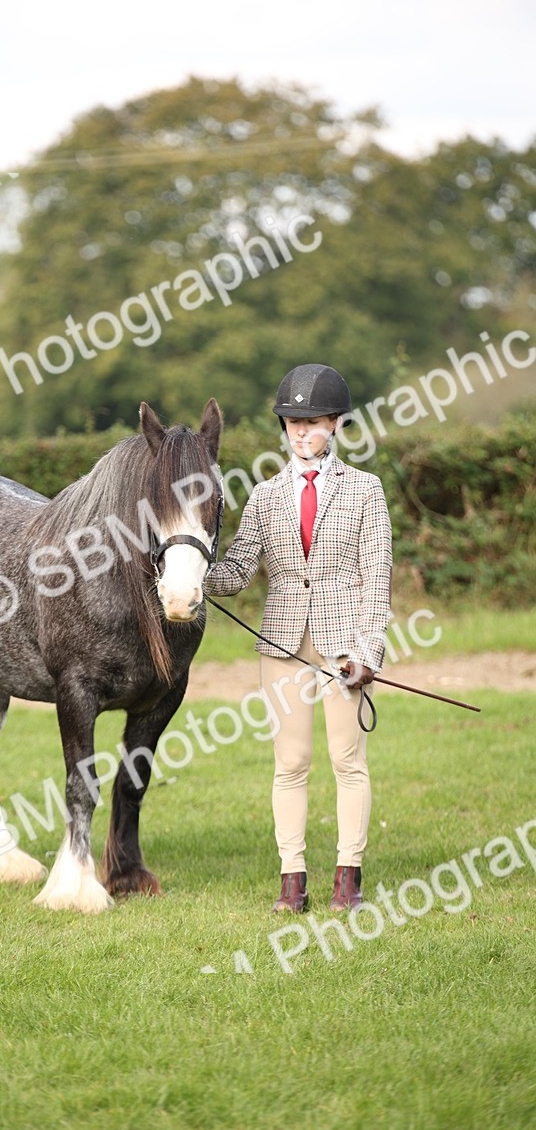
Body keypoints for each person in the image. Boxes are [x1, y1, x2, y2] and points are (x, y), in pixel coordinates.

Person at [204, 364, 392, 912]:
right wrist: (184, 572)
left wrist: (367, 653)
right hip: (282, 644)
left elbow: (375, 582)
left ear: (335, 424)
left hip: (343, 647)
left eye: (313, 422)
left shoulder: (364, 490)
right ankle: (293, 879)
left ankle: (348, 877)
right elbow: (237, 572)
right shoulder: (263, 496)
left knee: (347, 760)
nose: (302, 433)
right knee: (290, 762)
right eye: (293, 423)